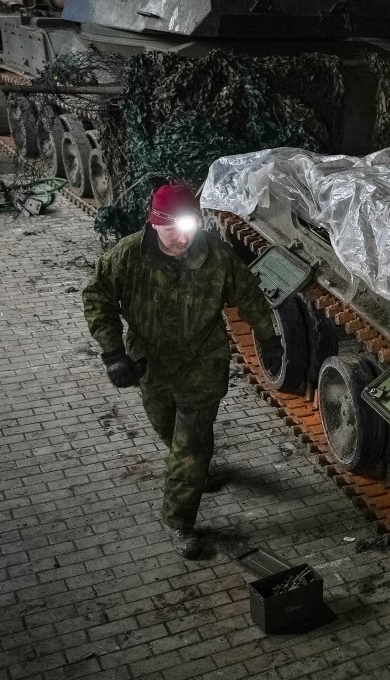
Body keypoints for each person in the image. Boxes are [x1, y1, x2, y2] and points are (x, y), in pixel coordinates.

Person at [83, 183, 283, 559]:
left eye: (188, 227)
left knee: (189, 446)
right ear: (153, 225)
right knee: (166, 426)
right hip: (150, 363)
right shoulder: (127, 255)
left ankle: (180, 522)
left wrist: (269, 338)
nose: (182, 237)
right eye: (170, 229)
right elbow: (97, 297)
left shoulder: (217, 255)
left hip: (202, 363)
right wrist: (112, 351)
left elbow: (249, 295)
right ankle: (196, 471)